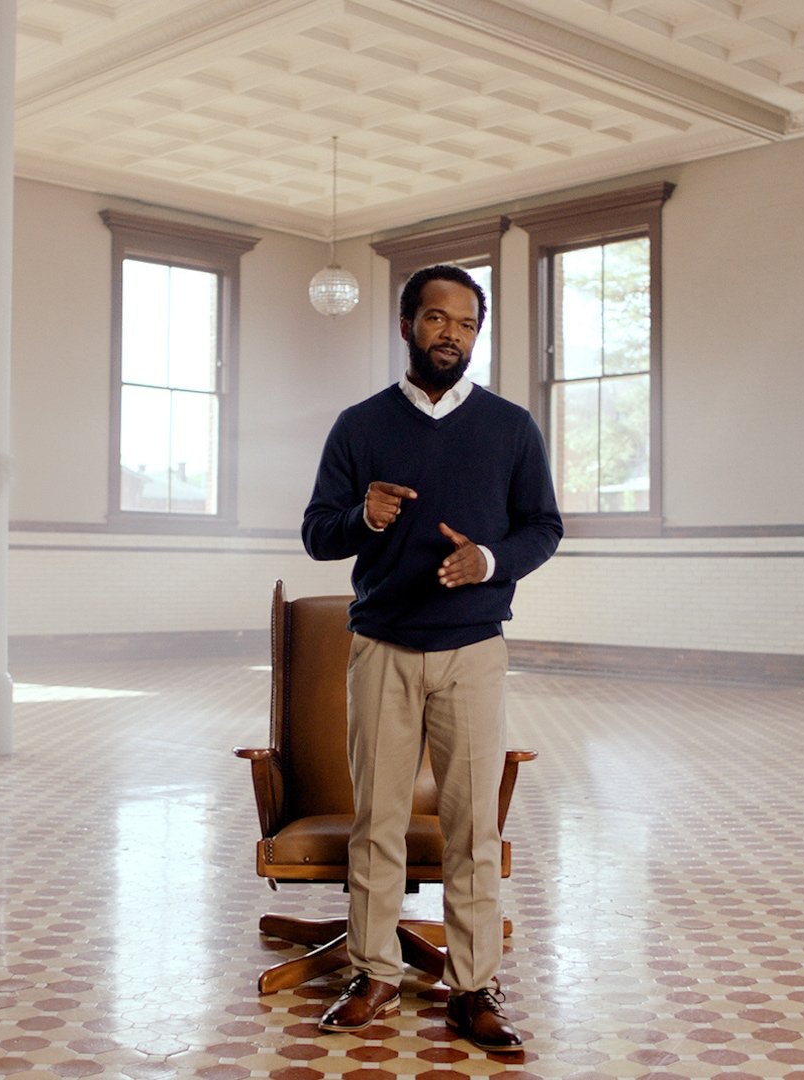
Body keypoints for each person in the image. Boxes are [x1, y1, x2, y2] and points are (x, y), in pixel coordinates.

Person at [300, 264, 563, 1051]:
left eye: (467, 323)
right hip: (382, 648)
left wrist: (488, 560)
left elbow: (543, 527)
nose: (452, 333)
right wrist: (363, 516)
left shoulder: (512, 428)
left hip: (474, 650)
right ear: (408, 323)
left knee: (471, 827)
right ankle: (374, 970)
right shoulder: (359, 426)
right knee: (377, 819)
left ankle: (472, 986)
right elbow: (318, 533)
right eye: (437, 318)